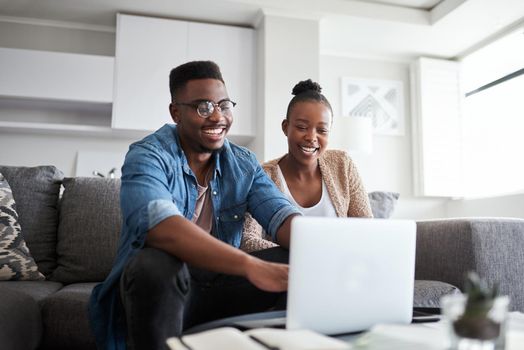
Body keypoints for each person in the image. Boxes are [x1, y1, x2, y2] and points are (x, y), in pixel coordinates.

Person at [88, 61, 302, 350]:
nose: (217, 116)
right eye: (203, 107)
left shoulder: (243, 163)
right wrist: (250, 265)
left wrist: (319, 245)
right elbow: (160, 227)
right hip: (163, 288)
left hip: (220, 286)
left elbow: (280, 215)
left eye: (224, 105)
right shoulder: (148, 155)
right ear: (176, 112)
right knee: (155, 264)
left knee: (298, 259)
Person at [241, 79, 373, 252]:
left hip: (340, 267)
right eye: (302, 127)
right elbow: (248, 240)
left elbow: (367, 228)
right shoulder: (262, 175)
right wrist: (306, 255)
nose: (311, 137)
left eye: (322, 130)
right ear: (285, 127)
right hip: (285, 271)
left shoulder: (342, 164)